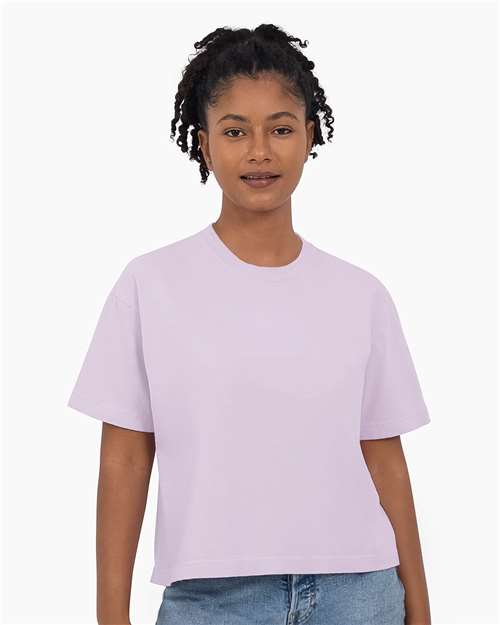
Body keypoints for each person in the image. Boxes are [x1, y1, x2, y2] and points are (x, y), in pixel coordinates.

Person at [67, 23, 432, 625]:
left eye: (280, 129)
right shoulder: (150, 285)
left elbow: (384, 459)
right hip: (213, 601)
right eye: (235, 131)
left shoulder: (361, 295)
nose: (259, 151)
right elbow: (126, 459)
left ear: (309, 136)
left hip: (360, 595)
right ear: (205, 145)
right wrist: (111, 616)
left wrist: (419, 607)